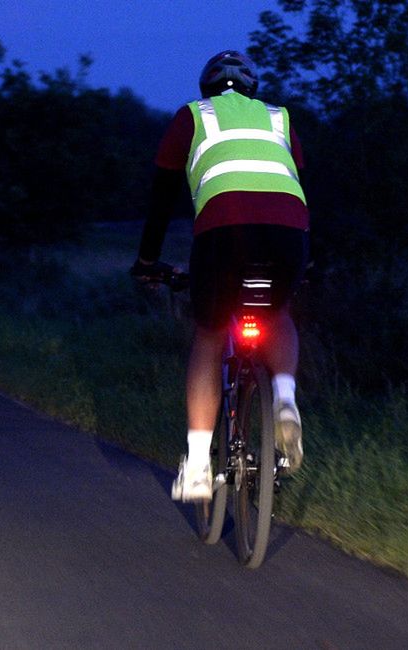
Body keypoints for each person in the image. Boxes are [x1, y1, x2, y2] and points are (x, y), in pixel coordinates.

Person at [130, 50, 309, 502]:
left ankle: (196, 468)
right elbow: (297, 184)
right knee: (279, 310)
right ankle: (285, 396)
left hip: (223, 231)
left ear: (207, 87)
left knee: (210, 333)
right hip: (289, 230)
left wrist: (148, 263)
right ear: (252, 87)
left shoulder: (192, 117)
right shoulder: (279, 118)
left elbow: (161, 200)